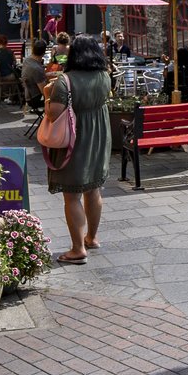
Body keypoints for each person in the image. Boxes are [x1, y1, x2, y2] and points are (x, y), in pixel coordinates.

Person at [43, 35, 112, 264]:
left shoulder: (65, 81)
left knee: (71, 195)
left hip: (74, 140)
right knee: (93, 189)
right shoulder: (104, 76)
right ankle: (91, 237)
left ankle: (77, 248)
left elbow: (54, 113)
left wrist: (46, 96)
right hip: (99, 138)